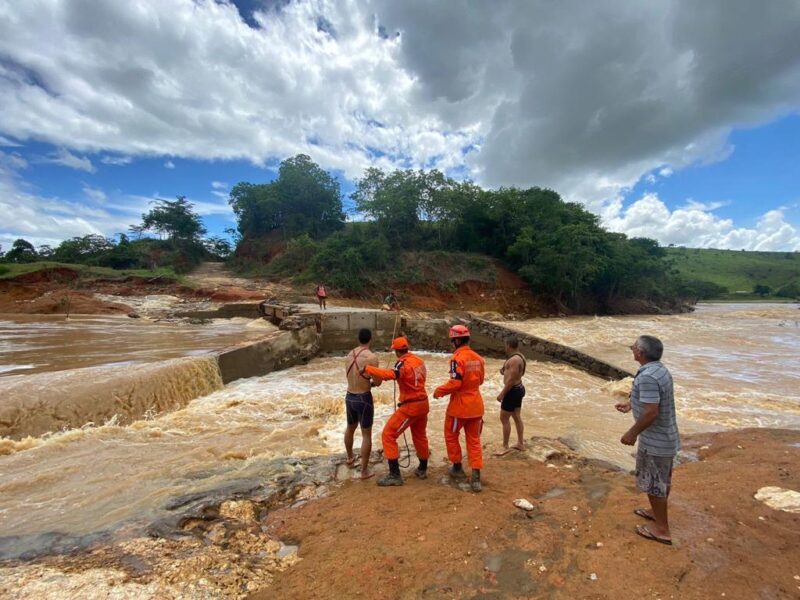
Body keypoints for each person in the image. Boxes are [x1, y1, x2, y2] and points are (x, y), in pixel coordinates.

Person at [615, 335, 680, 545]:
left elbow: (651, 412)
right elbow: (652, 401)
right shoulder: (658, 370)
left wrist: (632, 433)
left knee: (654, 485)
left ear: (640, 353)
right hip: (666, 438)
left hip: (655, 442)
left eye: (634, 346)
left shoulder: (647, 377)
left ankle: (662, 530)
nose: (631, 348)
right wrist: (631, 405)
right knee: (661, 482)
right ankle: (655, 513)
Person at [363, 336, 429, 486]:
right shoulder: (419, 360)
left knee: (388, 435)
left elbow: (392, 375)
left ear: (397, 351)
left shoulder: (402, 363)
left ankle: (394, 475)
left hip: (411, 406)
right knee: (420, 436)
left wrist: (368, 368)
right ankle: (423, 469)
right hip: (423, 404)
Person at [433, 324, 486, 492]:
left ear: (456, 340)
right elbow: (481, 381)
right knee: (474, 440)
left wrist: (439, 391)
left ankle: (457, 467)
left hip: (459, 408)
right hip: (476, 406)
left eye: (452, 340)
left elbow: (455, 383)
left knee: (451, 435)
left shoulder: (457, 359)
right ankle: (476, 476)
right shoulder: (479, 358)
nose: (451, 343)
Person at [344, 328, 381, 479]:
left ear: (358, 339)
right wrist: (372, 383)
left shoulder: (349, 354)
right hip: (363, 398)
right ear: (370, 339)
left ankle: (350, 457)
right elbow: (377, 381)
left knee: (350, 428)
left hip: (349, 396)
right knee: (366, 434)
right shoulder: (371, 357)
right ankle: (364, 471)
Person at [494, 336, 526, 456]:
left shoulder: (513, 360)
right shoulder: (520, 357)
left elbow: (512, 379)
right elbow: (518, 373)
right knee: (517, 416)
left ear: (508, 345)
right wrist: (504, 371)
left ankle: (505, 446)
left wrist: (502, 394)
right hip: (519, 388)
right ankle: (520, 443)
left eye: (505, 345)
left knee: (504, 418)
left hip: (512, 391)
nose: (504, 347)